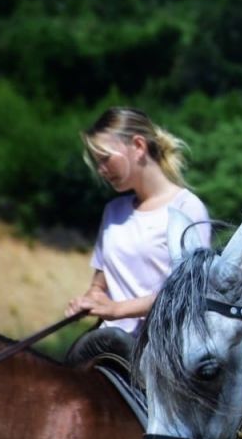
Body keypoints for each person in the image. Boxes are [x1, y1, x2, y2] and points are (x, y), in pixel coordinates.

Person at [66, 107, 210, 339]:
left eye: (105, 159)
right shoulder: (113, 211)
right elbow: (99, 285)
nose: (101, 170)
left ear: (139, 146)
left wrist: (118, 309)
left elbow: (189, 293)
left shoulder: (187, 208)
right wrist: (90, 299)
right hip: (109, 341)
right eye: (97, 163)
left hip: (162, 347)